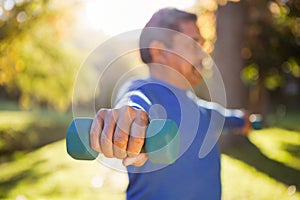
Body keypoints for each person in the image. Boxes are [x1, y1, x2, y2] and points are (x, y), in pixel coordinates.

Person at [90, 8, 251, 200]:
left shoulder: (200, 109)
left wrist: (242, 119)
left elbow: (224, 116)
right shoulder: (145, 91)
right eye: (193, 45)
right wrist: (130, 116)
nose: (203, 55)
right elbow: (134, 102)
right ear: (160, 51)